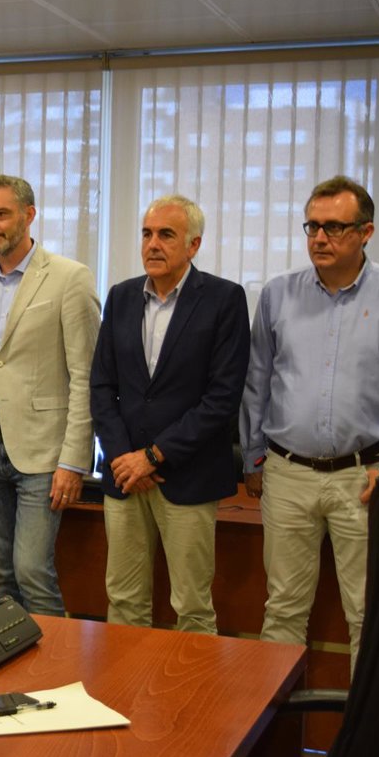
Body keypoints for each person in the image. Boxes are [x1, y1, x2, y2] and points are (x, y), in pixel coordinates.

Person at [241, 175, 379, 674]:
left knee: (367, 616)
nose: (319, 237)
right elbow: (257, 382)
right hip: (287, 474)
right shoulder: (278, 294)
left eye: (334, 227)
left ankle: (364, 727)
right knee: (282, 611)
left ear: (366, 232)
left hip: (365, 478)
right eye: (312, 226)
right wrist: (252, 458)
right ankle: (275, 725)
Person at [90, 195, 249, 634]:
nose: (153, 244)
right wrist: (123, 457)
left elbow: (222, 398)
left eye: (166, 235)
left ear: (193, 245)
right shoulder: (121, 297)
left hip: (188, 476)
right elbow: (101, 386)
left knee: (192, 607)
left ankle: (191, 684)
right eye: (146, 234)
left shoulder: (224, 299)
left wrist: (153, 456)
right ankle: (127, 681)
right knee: (123, 601)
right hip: (125, 477)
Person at [0, 174, 99, 617]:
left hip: (44, 454)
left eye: (1, 214)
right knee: (1, 575)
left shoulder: (70, 278)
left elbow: (85, 375)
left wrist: (74, 461)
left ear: (29, 214)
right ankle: (10, 656)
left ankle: (53, 661)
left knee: (32, 571)